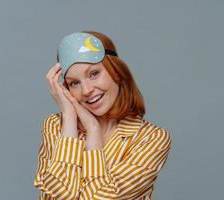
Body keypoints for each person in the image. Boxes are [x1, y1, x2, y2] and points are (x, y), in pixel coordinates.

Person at [33, 31, 172, 200]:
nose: (86, 91)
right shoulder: (56, 126)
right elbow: (60, 195)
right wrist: (69, 116)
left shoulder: (151, 138)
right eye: (74, 83)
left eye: (94, 74)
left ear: (117, 72)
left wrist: (93, 131)